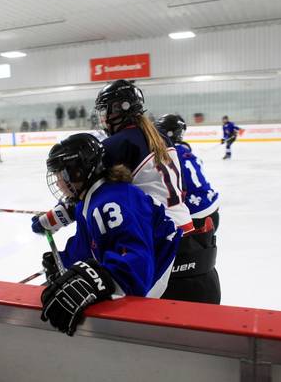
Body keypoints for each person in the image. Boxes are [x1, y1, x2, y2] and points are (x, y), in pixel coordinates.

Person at [34, 80, 220, 304]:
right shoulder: (161, 137)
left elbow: (87, 190)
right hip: (186, 229)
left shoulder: (118, 144)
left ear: (119, 109)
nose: (102, 118)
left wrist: (54, 218)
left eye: (105, 111)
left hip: (156, 238)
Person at [36, 133, 180, 336]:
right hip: (146, 272)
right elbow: (86, 244)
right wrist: (64, 260)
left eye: (62, 174)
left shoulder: (111, 202)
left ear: (78, 172)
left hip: (159, 275)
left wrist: (102, 279)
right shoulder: (90, 199)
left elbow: (136, 264)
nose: (58, 182)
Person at [156, 114, 221, 303]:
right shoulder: (186, 151)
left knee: (187, 263)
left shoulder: (167, 154)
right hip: (212, 210)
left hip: (196, 215)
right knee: (202, 259)